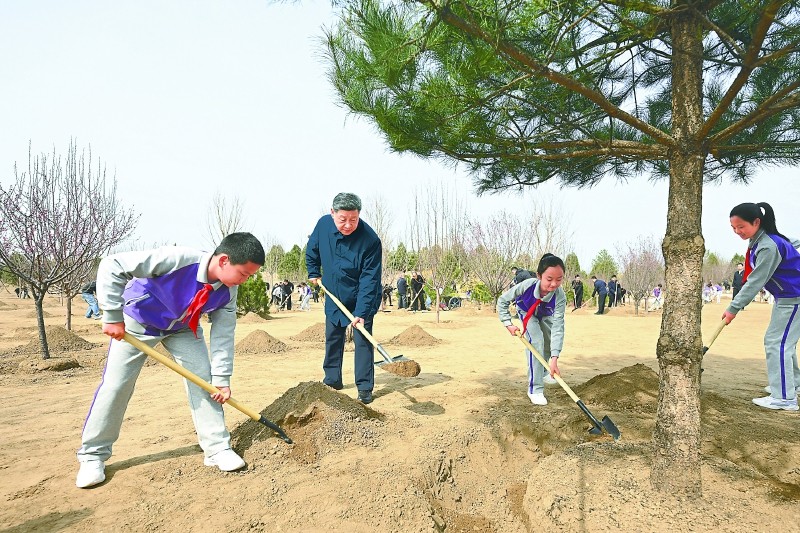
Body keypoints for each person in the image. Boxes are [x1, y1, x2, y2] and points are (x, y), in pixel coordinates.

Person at [75, 232, 265, 488]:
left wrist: (221, 379)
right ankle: (92, 457)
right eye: (244, 274)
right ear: (223, 261)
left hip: (183, 328)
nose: (245, 280)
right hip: (138, 322)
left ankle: (217, 449)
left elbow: (223, 335)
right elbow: (113, 264)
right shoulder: (178, 259)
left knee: (205, 383)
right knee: (116, 385)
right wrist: (111, 314)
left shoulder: (228, 292)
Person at [306, 192, 382, 405]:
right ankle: (332, 380)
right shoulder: (323, 225)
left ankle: (365, 387)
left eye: (353, 219)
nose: (348, 225)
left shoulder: (370, 240)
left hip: (362, 295)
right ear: (332, 213)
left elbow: (370, 278)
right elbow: (312, 250)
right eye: (343, 219)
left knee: (363, 341)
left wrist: (362, 312)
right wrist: (313, 272)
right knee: (333, 338)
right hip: (334, 293)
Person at [724, 202, 800, 412]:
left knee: (778, 343)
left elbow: (755, 281)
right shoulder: (762, 240)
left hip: (794, 298)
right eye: (733, 228)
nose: (737, 232)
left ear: (756, 222)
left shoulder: (768, 245)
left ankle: (784, 397)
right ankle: (792, 384)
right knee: (782, 341)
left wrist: (733, 308)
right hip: (786, 298)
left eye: (741, 227)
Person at [498, 253, 567, 405]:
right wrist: (508, 323)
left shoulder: (560, 296)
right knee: (536, 342)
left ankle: (542, 372)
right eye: (549, 279)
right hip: (527, 312)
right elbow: (502, 301)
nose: (554, 284)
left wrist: (554, 360)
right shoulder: (527, 285)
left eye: (559, 279)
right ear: (539, 276)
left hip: (545, 315)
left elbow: (558, 327)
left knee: (548, 343)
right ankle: (535, 389)